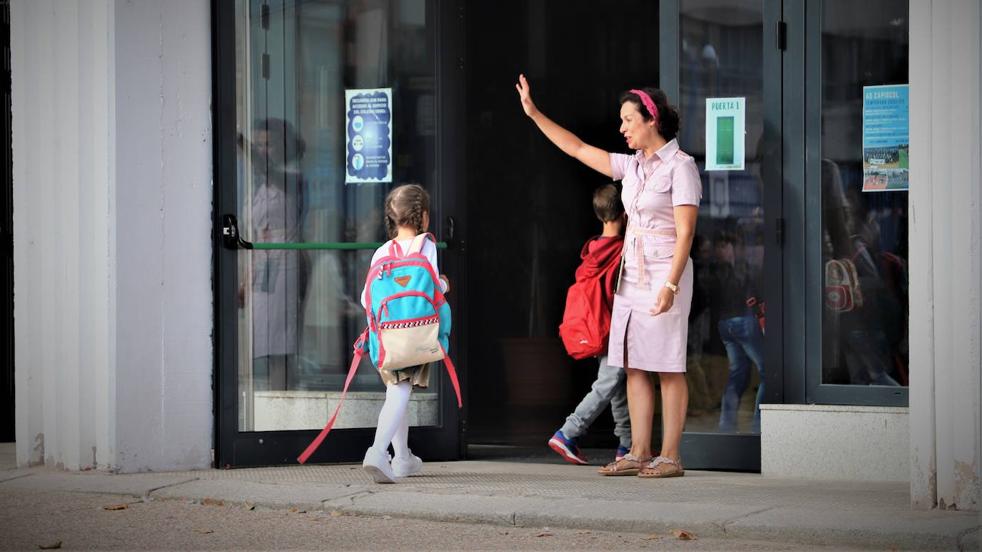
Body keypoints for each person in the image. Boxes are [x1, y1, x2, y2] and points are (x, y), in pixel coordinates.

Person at [516, 75, 701, 478]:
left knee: (667, 365)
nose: (622, 128)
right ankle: (637, 451)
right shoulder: (631, 166)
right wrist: (534, 115)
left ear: (651, 120)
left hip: (665, 272)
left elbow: (686, 232)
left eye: (628, 120)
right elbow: (578, 148)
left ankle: (670, 456)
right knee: (633, 364)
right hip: (631, 274)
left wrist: (670, 285)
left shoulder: (681, 167)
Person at [360, 184, 451, 483]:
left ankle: (402, 459)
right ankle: (377, 452)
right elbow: (434, 288)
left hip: (385, 338)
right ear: (423, 216)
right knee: (400, 392)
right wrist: (445, 285)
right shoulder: (427, 246)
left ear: (390, 217)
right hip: (417, 335)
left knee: (396, 391)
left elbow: (365, 299)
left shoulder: (382, 252)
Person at [548, 184, 632, 465]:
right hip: (615, 327)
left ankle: (626, 445)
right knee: (608, 382)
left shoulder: (592, 251)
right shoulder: (622, 251)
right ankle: (568, 431)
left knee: (615, 385)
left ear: (599, 215)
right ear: (624, 212)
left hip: (596, 327)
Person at [709, 232, 765, 433]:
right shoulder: (736, 269)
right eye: (721, 246)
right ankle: (759, 425)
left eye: (725, 245)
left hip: (725, 325)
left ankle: (726, 425)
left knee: (738, 374)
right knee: (768, 372)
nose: (722, 250)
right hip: (742, 322)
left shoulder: (713, 270)